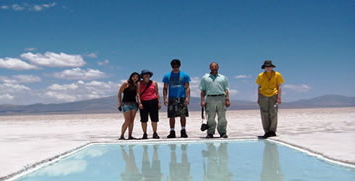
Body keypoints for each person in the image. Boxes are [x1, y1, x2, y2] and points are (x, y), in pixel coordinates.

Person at [199, 62, 230, 138]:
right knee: (211, 117)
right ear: (210, 68)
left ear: (218, 67)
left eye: (215, 66)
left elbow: (226, 89)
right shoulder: (205, 78)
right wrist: (202, 100)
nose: (214, 68)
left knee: (222, 117)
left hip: (221, 98)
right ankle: (210, 132)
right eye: (212, 66)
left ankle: (222, 132)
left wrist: (227, 99)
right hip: (210, 98)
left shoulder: (223, 78)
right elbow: (203, 90)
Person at [256, 60, 285, 138]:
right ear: (264, 68)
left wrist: (279, 97)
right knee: (264, 114)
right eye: (266, 67)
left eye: (269, 66)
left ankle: (272, 131)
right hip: (263, 95)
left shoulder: (277, 75)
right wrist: (258, 98)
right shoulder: (260, 75)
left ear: (272, 67)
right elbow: (259, 87)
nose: (268, 68)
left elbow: (279, 86)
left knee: (273, 113)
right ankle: (266, 131)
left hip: (273, 95)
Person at [163, 59, 191, 138]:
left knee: (182, 115)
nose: (175, 67)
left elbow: (187, 87)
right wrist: (165, 98)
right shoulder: (167, 76)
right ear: (171, 66)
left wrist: (187, 98)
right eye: (173, 66)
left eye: (177, 66)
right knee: (172, 116)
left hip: (182, 97)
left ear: (179, 66)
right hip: (171, 97)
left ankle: (183, 131)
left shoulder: (184, 75)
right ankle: (172, 131)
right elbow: (165, 88)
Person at [137, 69, 161, 139]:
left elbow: (157, 93)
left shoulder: (154, 83)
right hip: (144, 102)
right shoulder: (139, 83)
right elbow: (138, 94)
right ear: (142, 76)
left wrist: (159, 102)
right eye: (145, 74)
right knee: (144, 119)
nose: (147, 75)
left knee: (154, 119)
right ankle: (144, 133)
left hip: (153, 101)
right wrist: (139, 103)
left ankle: (155, 133)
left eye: (148, 74)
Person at [118, 72, 140, 140]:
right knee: (127, 120)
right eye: (134, 76)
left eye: (137, 77)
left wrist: (139, 102)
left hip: (134, 104)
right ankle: (122, 136)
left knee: (131, 121)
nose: (135, 78)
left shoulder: (137, 85)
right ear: (131, 76)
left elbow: (137, 94)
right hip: (126, 104)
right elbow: (119, 93)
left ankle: (130, 136)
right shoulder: (126, 83)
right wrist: (120, 102)